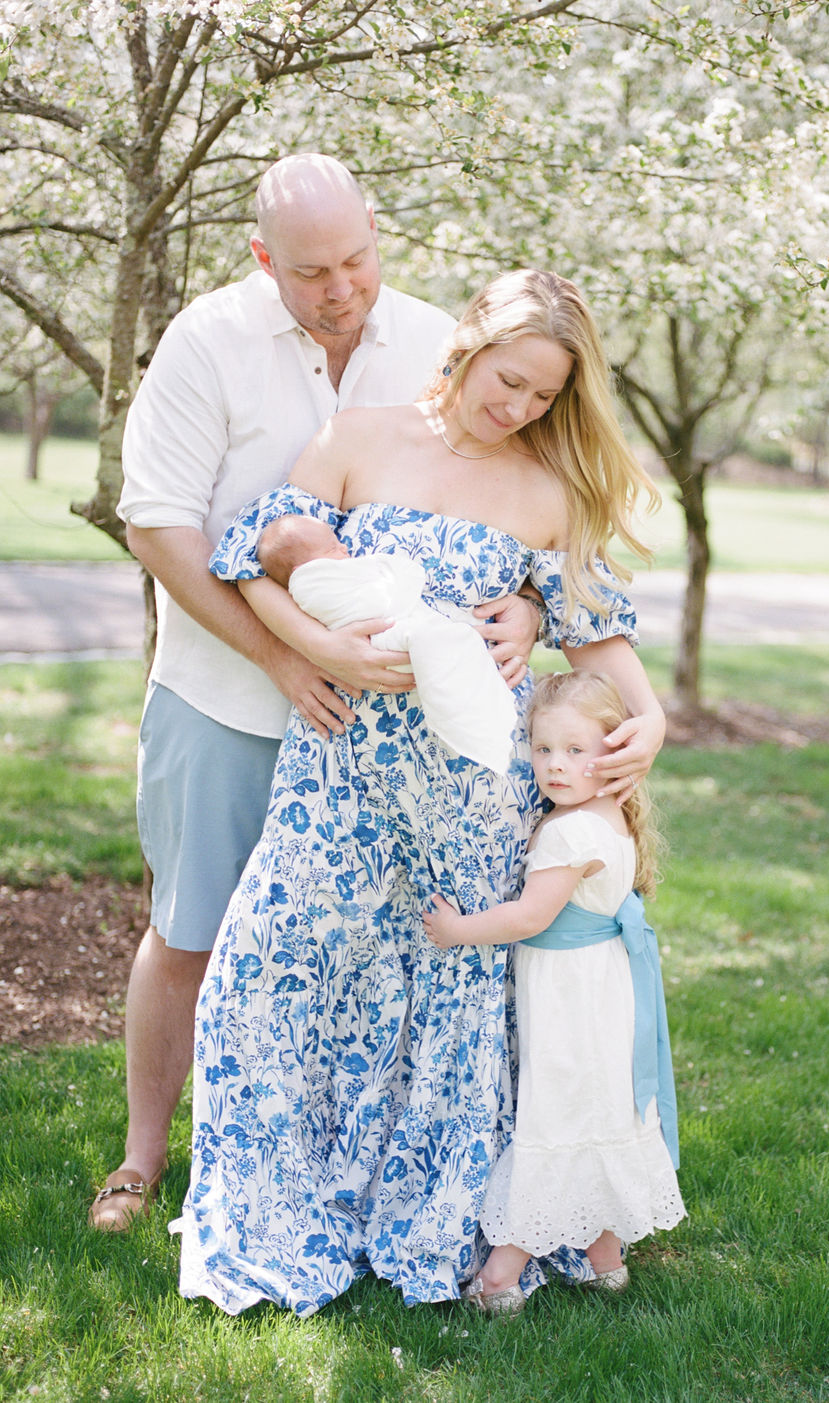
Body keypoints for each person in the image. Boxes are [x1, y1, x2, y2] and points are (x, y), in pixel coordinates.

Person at [171, 267, 666, 1315]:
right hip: (338, 768)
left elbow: (603, 633)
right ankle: (277, 1204)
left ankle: (427, 1205)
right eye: (510, 378)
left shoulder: (547, 487)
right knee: (266, 966)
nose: (520, 407)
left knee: (446, 992)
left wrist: (651, 716)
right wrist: (313, 647)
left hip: (470, 793)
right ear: (471, 343)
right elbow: (248, 557)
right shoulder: (360, 435)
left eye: (544, 395)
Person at [90, 153, 540, 1231]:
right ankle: (142, 1158)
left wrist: (526, 600)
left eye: (356, 260)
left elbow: (497, 486)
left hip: (380, 734)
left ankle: (317, 1172)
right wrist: (281, 656)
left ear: (378, 233)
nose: (341, 289)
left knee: (355, 948)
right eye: (311, 272)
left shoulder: (437, 337)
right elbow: (158, 523)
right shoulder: (206, 341)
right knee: (192, 928)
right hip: (222, 695)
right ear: (261, 259)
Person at [423, 669, 686, 1315]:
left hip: (573, 1003)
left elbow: (527, 917)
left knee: (558, 1117)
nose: (555, 765)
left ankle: (500, 1278)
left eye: (575, 750)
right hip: (603, 993)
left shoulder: (568, 831)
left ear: (614, 750)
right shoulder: (610, 817)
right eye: (542, 749)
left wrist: (457, 930)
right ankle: (606, 1261)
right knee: (596, 1113)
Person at [256, 514, 517, 772]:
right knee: (435, 638)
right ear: (301, 568)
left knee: (443, 641)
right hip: (378, 647)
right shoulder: (312, 583)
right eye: (333, 548)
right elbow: (378, 600)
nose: (345, 549)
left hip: (388, 661)